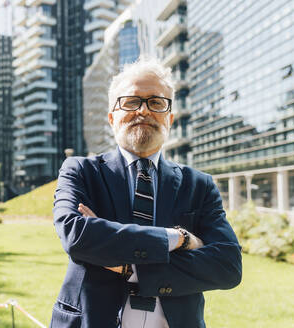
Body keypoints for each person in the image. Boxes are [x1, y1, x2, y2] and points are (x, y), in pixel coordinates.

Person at [51, 58, 242, 328]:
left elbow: (228, 267)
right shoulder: (81, 171)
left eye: (156, 102)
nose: (143, 111)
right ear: (111, 117)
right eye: (130, 102)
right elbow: (77, 235)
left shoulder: (199, 185)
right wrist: (178, 238)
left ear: (170, 118)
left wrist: (129, 267)